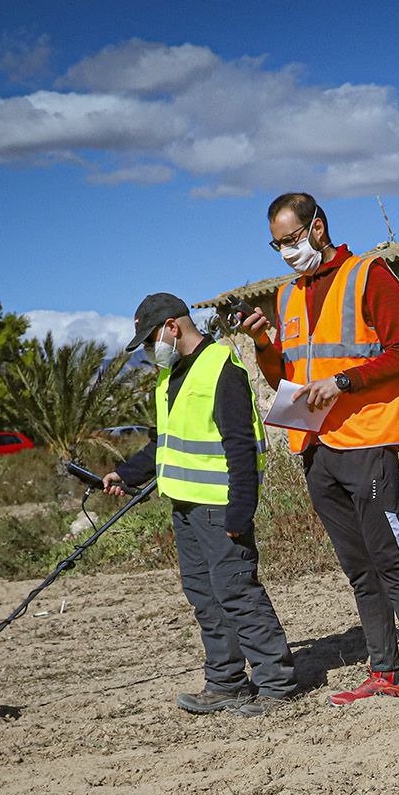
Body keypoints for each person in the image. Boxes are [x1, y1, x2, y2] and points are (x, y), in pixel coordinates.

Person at [236, 193, 399, 713]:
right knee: (359, 568)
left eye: (291, 240)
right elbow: (284, 376)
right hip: (315, 448)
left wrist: (345, 381)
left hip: (368, 442)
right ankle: (384, 672)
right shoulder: (287, 296)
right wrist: (263, 345)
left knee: (392, 561)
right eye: (276, 244)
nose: (286, 252)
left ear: (317, 226)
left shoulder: (369, 275)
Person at [105, 293, 299, 715]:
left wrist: (240, 510)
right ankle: (225, 682)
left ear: (173, 326)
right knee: (205, 598)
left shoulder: (221, 367)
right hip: (184, 507)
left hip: (220, 507)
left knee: (237, 593)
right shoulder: (170, 375)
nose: (151, 348)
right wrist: (127, 472)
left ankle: (277, 684)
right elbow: (166, 443)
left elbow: (241, 445)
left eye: (152, 336)